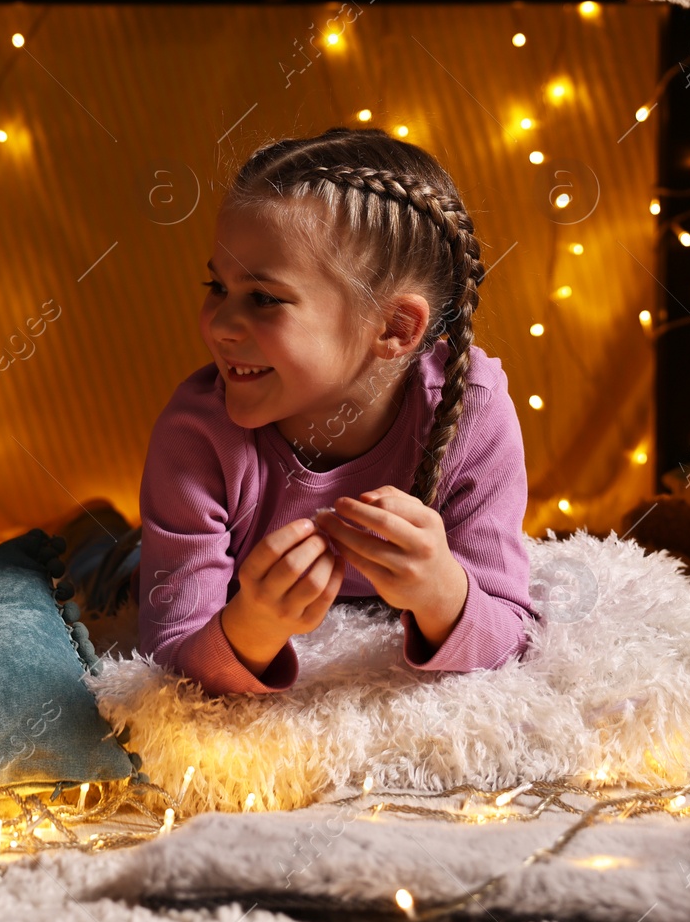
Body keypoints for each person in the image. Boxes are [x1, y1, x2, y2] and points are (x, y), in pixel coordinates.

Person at [137, 126, 538, 696]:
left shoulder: (470, 409)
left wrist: (441, 591)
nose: (220, 325)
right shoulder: (196, 436)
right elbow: (167, 656)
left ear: (395, 328)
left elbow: (510, 636)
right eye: (217, 286)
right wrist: (255, 625)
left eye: (264, 298)